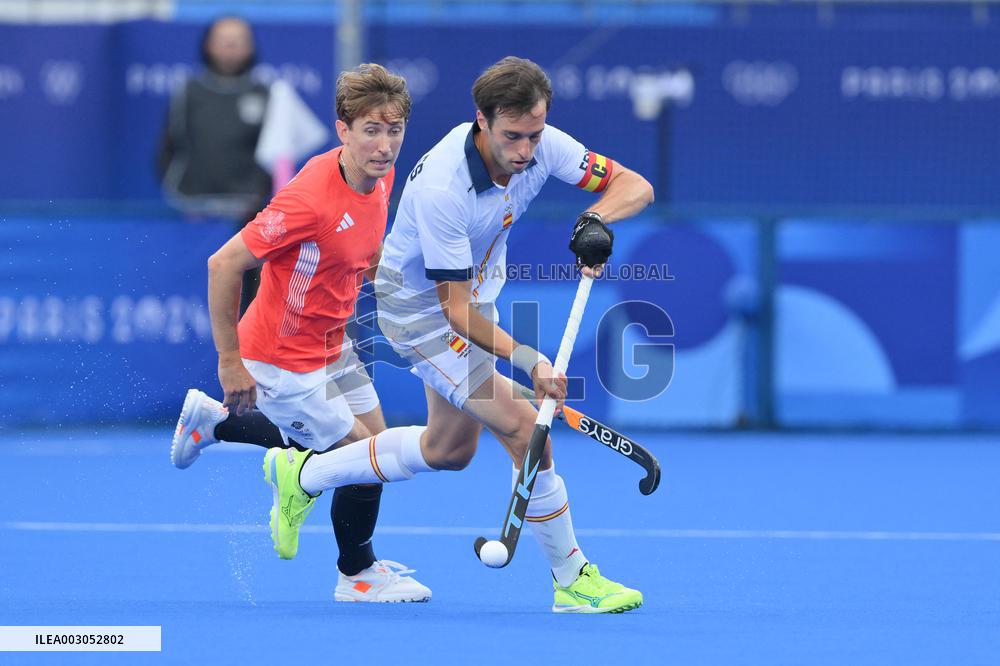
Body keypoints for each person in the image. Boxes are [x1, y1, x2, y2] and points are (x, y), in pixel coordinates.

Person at [262, 56, 655, 614]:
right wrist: (530, 360)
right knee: (523, 427)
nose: (525, 151)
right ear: (482, 121)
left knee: (449, 451)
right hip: (420, 309)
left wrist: (595, 219)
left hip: (473, 299)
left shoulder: (545, 144)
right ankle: (573, 580)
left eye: (534, 135)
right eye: (512, 136)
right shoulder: (445, 190)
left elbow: (634, 185)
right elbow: (456, 316)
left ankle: (304, 471)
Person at [169, 63, 430, 603]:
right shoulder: (308, 200)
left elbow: (364, 253)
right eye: (371, 131)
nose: (385, 146)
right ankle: (356, 576)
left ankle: (216, 427)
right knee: (364, 461)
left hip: (334, 344)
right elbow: (223, 265)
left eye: (395, 130)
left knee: (373, 456)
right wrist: (229, 361)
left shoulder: (377, 182)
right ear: (343, 130)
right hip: (282, 357)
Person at [158, 15, 328, 313]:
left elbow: (278, 160)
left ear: (250, 47)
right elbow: (168, 151)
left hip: (248, 220)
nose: (231, 47)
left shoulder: (268, 93)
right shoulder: (188, 92)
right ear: (208, 45)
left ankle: (242, 355)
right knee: (195, 298)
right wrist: (182, 200)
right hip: (195, 216)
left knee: (244, 304)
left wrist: (258, 204)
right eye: (224, 40)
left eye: (238, 41)